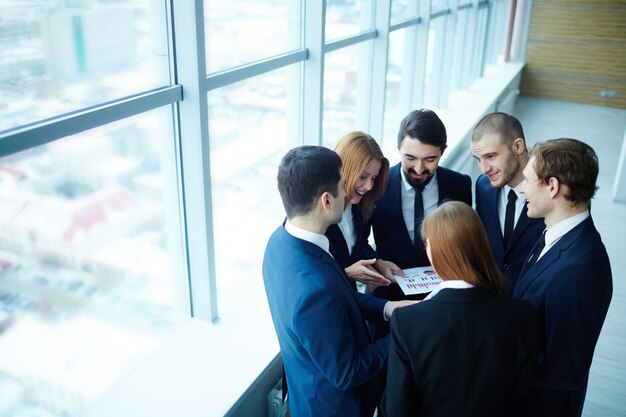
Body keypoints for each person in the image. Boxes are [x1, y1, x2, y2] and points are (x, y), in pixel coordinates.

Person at [262, 145, 415, 417]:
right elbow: (348, 372)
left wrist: (387, 309)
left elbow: (336, 297)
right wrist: (405, 334)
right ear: (326, 200)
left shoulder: (280, 242)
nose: (348, 191)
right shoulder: (314, 290)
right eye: (343, 185)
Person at [381, 201, 537, 417]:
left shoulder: (407, 322)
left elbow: (396, 409)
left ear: (432, 250)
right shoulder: (522, 314)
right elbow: (524, 396)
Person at [515, 138, 613, 417]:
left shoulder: (579, 271)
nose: (522, 189)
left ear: (553, 186)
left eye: (529, 181)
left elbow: (563, 371)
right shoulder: (555, 232)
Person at [369, 109, 472, 303]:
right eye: (410, 158)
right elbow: (359, 241)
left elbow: (463, 241)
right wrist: (377, 263)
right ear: (398, 147)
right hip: (388, 295)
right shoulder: (376, 185)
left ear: (443, 150)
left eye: (430, 160)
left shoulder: (460, 186)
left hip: (443, 298)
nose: (418, 168)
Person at [471, 112, 545, 293]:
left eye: (490, 156)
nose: (484, 169)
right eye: (478, 159)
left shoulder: (547, 192)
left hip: (532, 299)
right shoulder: (483, 186)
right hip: (492, 295)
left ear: (518, 146)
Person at [325, 131, 393, 290]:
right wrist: (346, 274)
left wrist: (377, 263)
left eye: (373, 178)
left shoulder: (360, 207)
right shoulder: (318, 215)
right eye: (363, 176)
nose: (369, 186)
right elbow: (312, 276)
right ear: (344, 170)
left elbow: (359, 245)